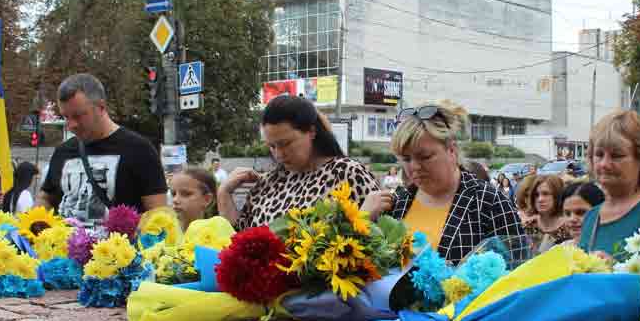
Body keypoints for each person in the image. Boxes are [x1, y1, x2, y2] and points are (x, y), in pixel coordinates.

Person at [362, 101, 527, 265]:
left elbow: (518, 275)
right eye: (406, 159)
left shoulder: (489, 202)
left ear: (452, 150)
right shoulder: (396, 204)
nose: (414, 167)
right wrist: (362, 220)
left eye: (425, 156)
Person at [218, 95, 379, 229]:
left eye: (286, 143)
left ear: (311, 132)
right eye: (272, 146)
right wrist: (224, 193)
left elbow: (381, 240)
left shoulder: (347, 173)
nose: (279, 154)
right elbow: (239, 242)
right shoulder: (267, 184)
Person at [37, 74, 167, 225]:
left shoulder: (139, 149)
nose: (71, 125)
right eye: (66, 117)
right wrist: (33, 225)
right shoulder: (63, 151)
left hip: (118, 246)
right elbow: (46, 197)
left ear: (101, 107)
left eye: (78, 116)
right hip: (61, 247)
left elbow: (158, 215)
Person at [579, 110, 640, 258]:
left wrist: (615, 271)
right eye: (599, 154)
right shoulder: (591, 216)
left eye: (617, 155)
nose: (604, 164)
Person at [524, 174, 570, 253]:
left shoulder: (569, 226)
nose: (540, 199)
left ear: (557, 195)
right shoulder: (529, 225)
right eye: (536, 195)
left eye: (546, 194)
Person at [171, 167, 217, 231]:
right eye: (173, 194)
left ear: (207, 200)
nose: (175, 200)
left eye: (186, 194)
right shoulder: (162, 235)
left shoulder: (216, 237)